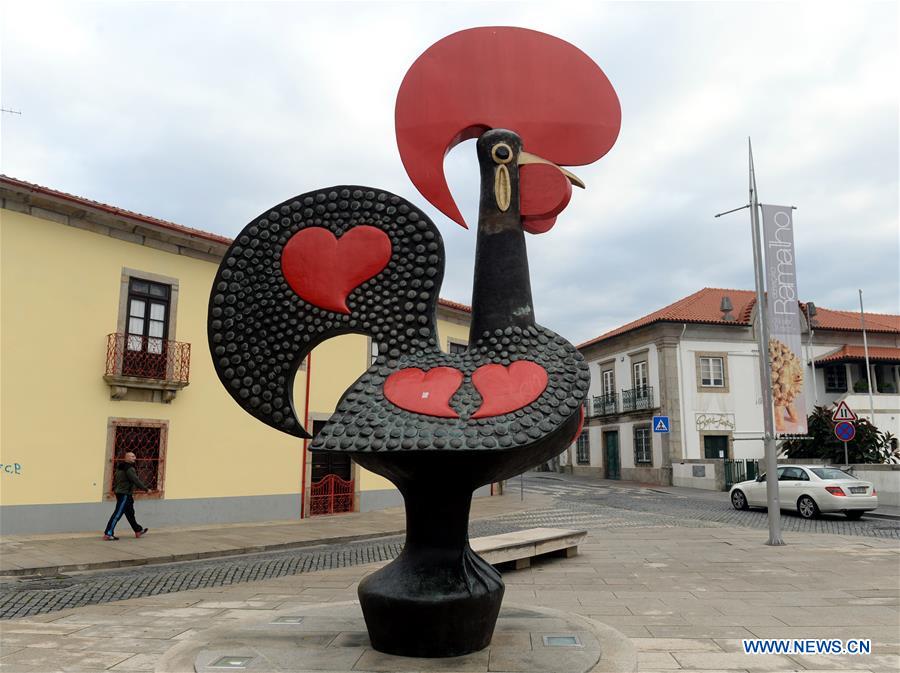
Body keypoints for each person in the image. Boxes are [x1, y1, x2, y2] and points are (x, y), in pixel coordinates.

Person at [103, 452, 150, 540]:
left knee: (130, 514)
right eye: (132, 456)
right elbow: (135, 480)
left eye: (134, 456)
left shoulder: (120, 467)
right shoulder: (129, 468)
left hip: (123, 493)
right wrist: (146, 489)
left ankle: (138, 530)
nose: (134, 458)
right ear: (126, 458)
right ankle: (108, 533)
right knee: (117, 514)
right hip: (124, 494)